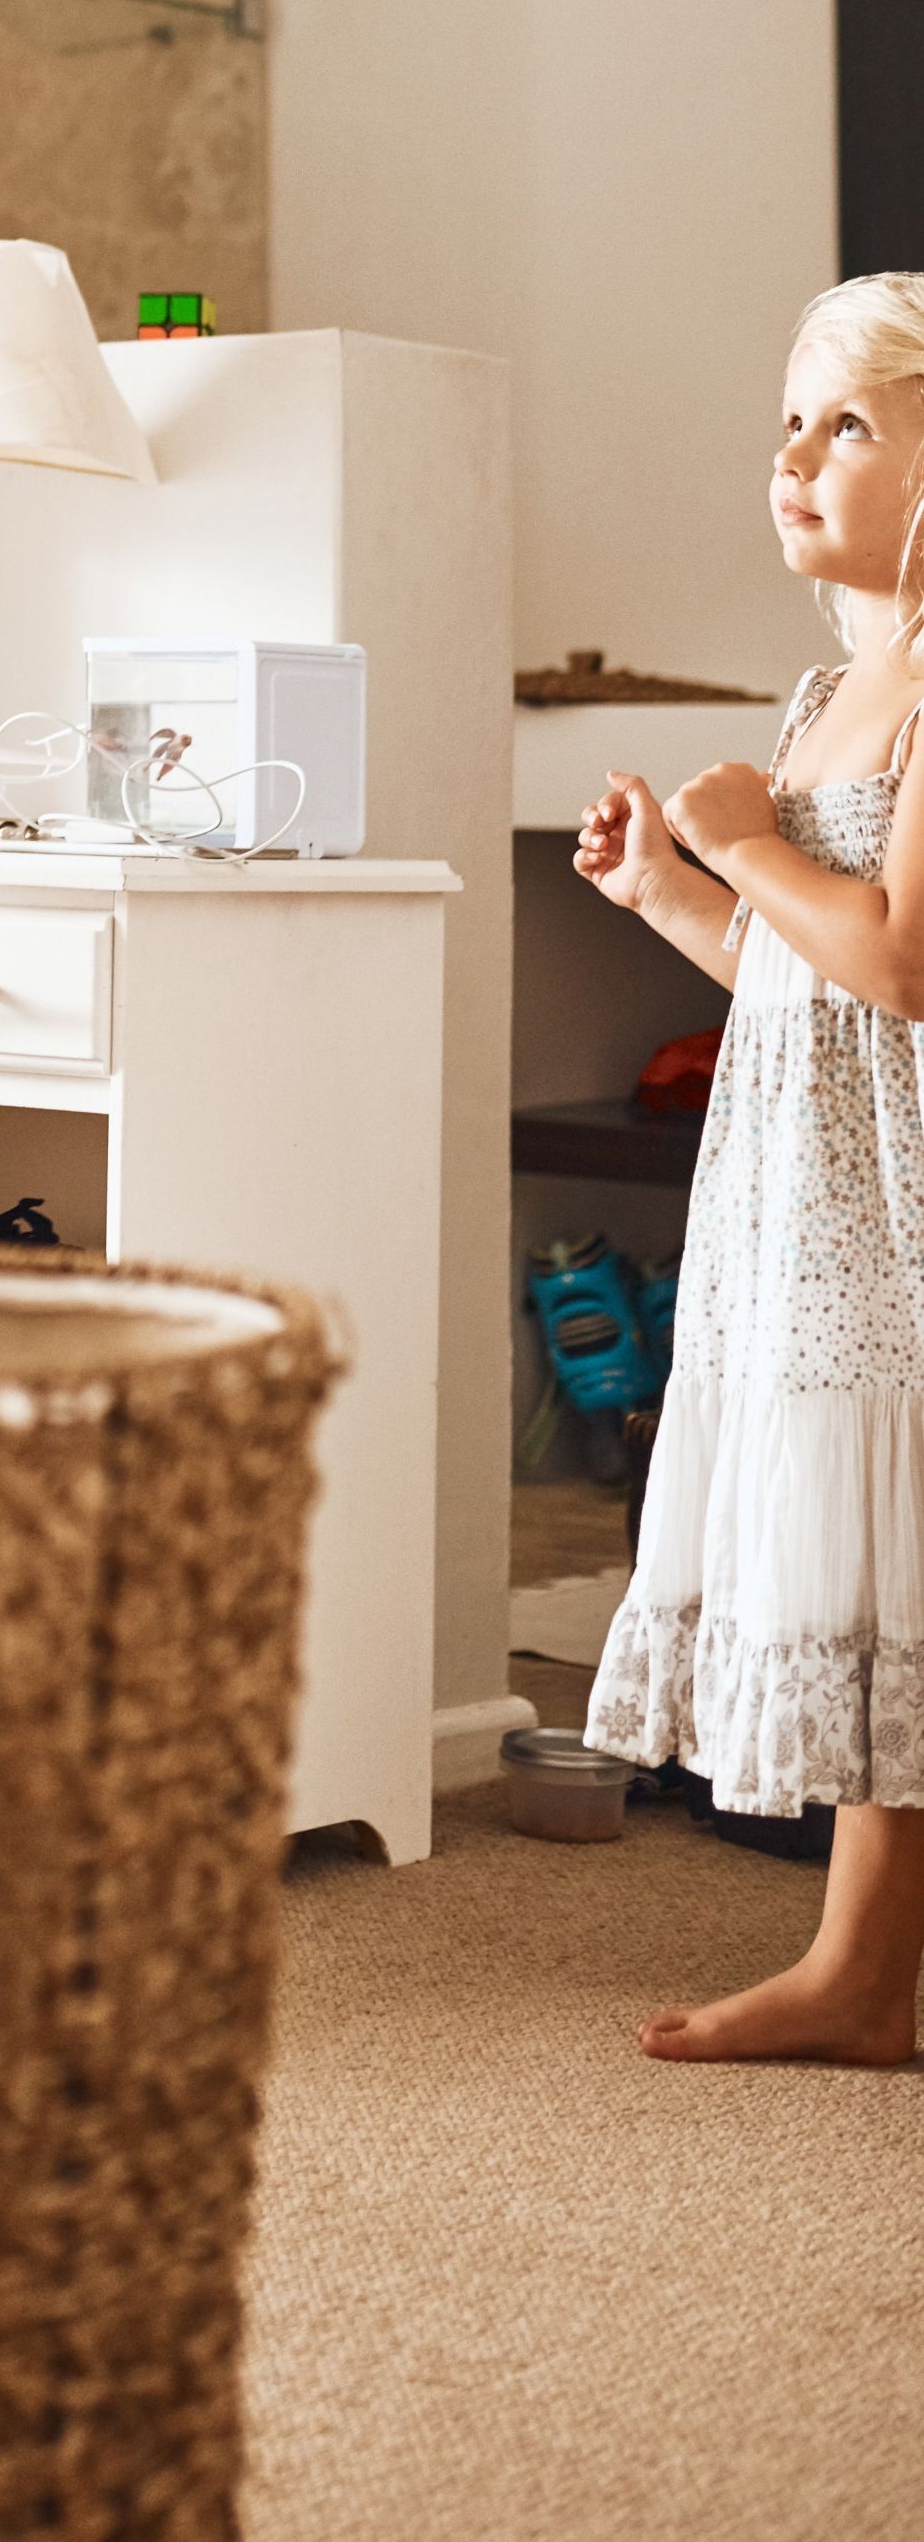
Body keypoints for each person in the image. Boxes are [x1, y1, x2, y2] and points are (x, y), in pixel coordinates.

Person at [579, 271, 924, 2059]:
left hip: (903, 1195)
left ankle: (866, 1968)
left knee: (908, 1532)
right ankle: (866, 1973)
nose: (797, 457)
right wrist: (676, 888)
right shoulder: (827, 688)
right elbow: (792, 972)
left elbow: (902, 962)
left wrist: (738, 832)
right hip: (809, 1189)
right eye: (789, 421)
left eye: (850, 424)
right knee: (884, 1572)